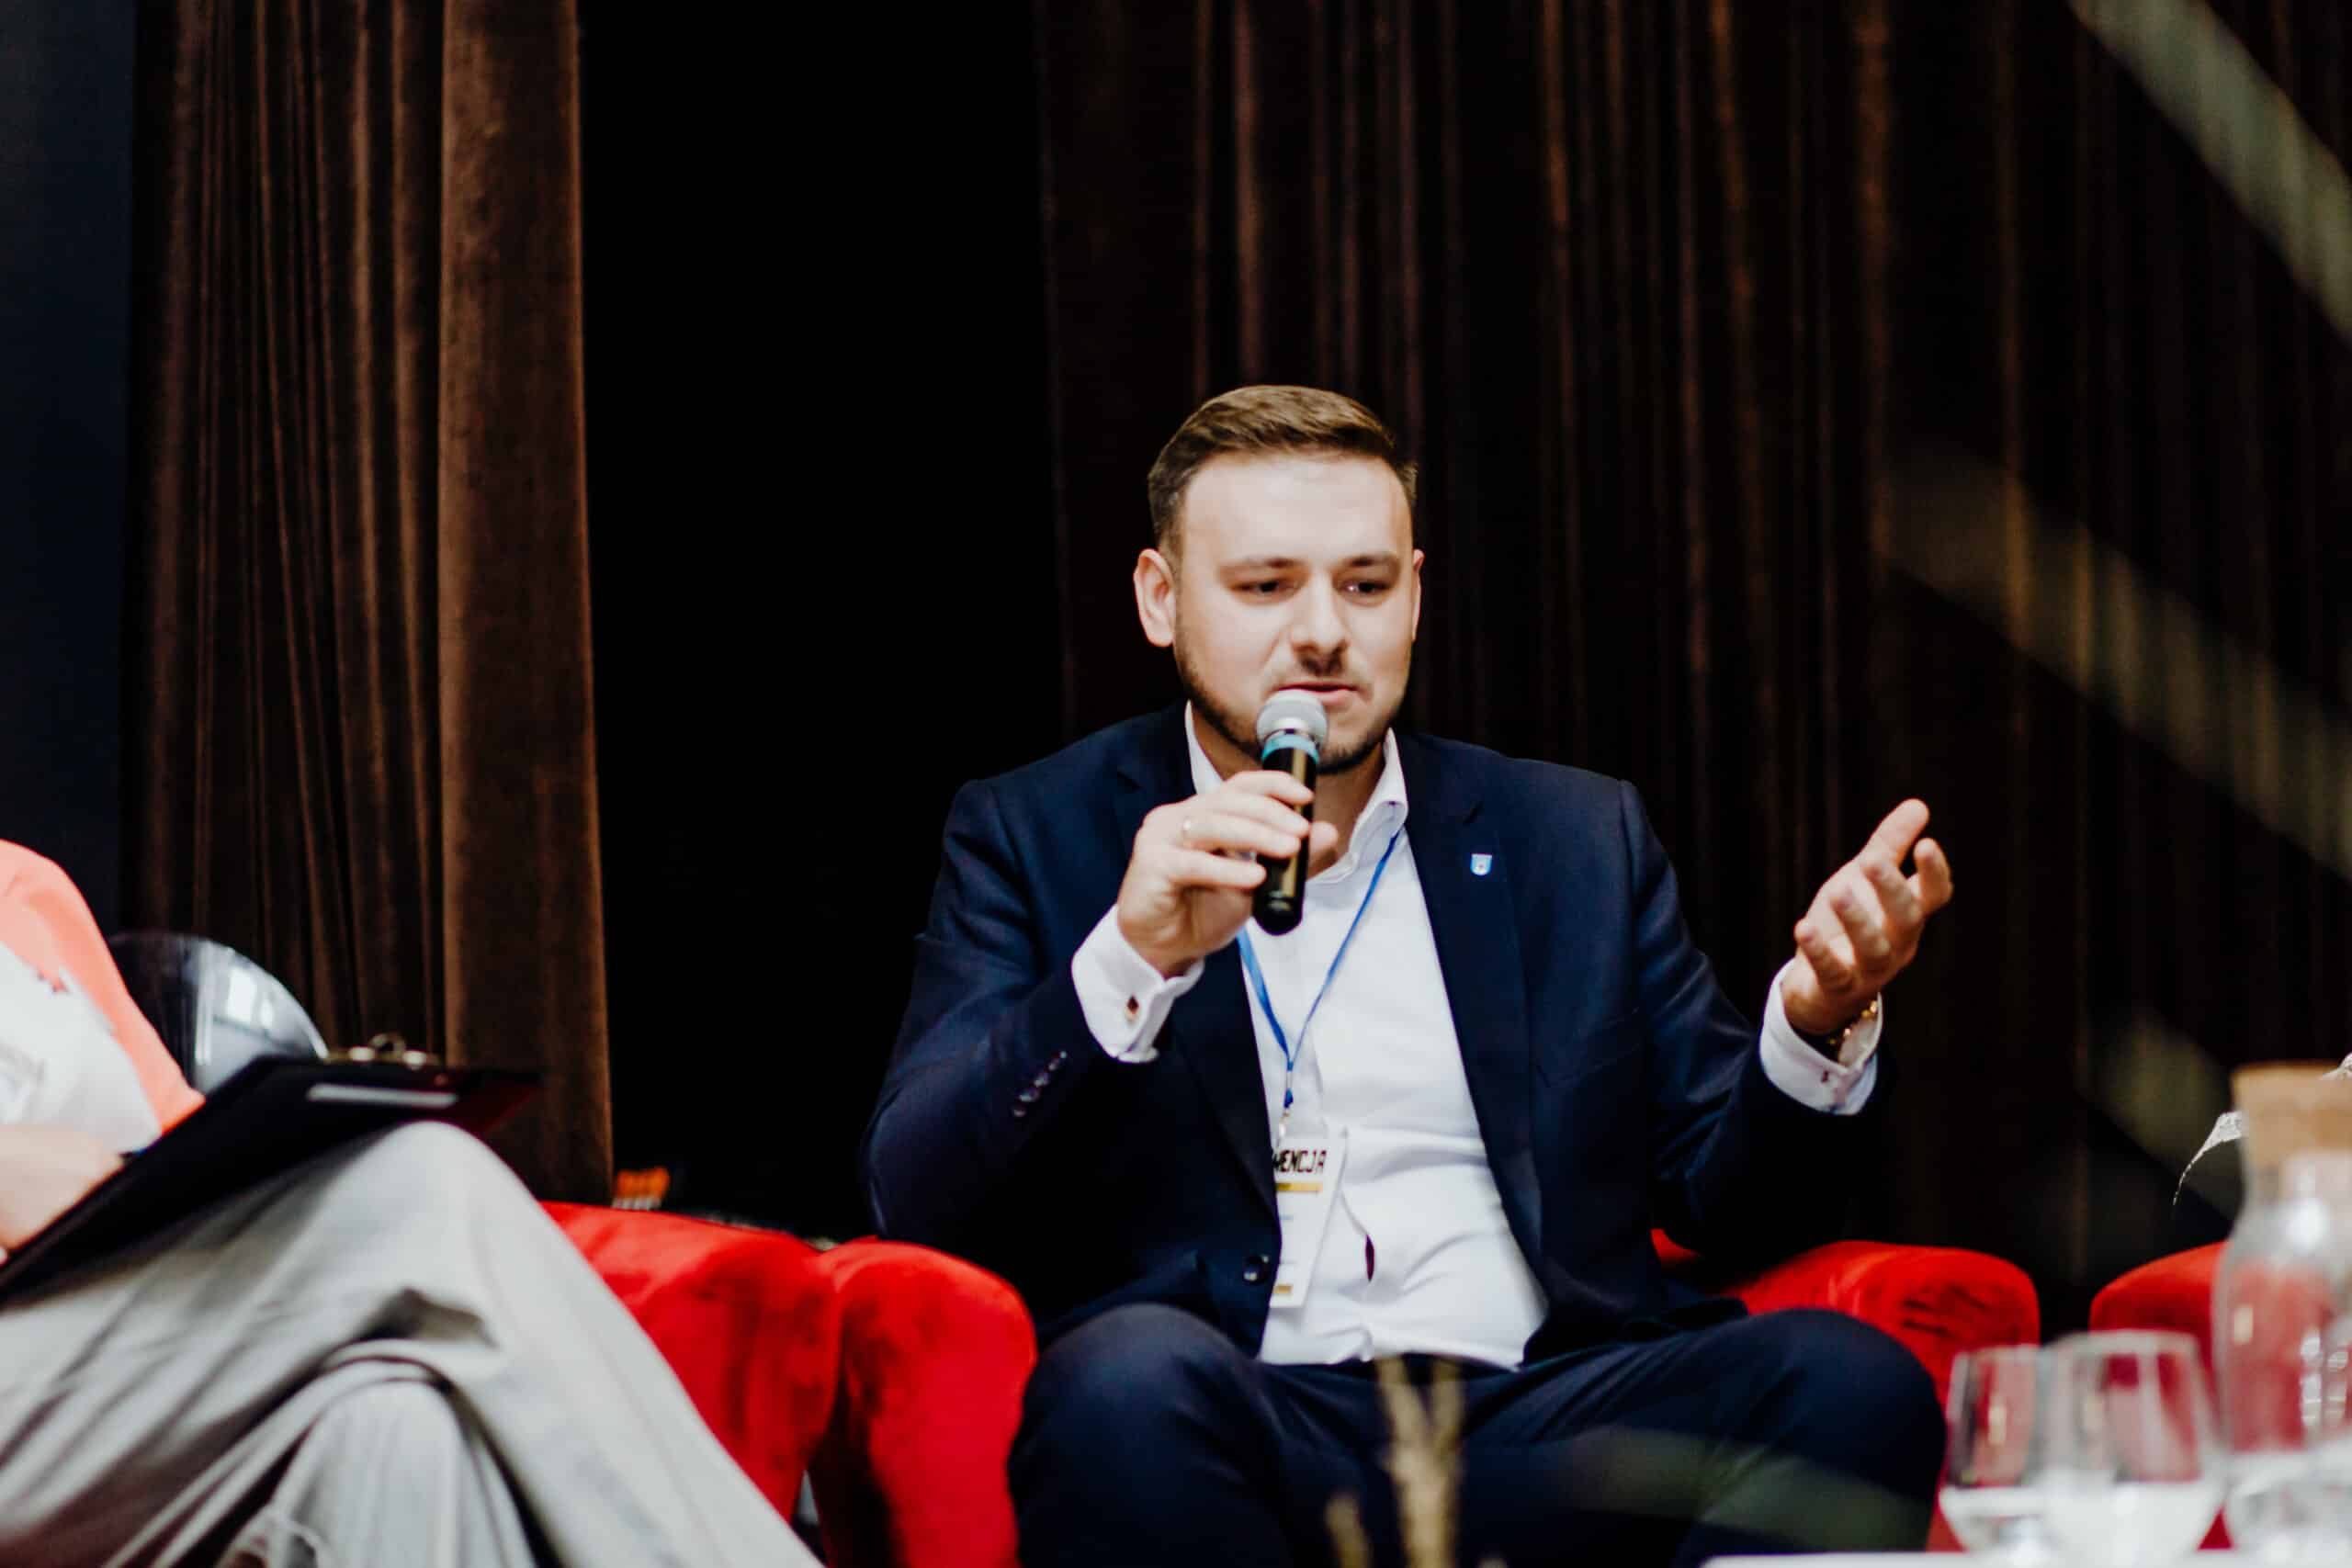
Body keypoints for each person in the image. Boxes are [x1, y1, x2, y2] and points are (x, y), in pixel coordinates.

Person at [868, 386, 1958, 1567]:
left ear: (1416, 595)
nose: (1323, 633)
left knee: (1852, 1383)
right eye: (1265, 586)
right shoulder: (1036, 833)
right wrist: (1132, 957)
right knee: (1121, 1390)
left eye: (1365, 584)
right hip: (1248, 1411)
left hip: (1543, 1413)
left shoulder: (1568, 837)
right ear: (1159, 598)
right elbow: (916, 1190)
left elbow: (1730, 1203)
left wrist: (1816, 1021)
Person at [0, 840, 815, 1566]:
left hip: (120, 1309)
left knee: (397, 1436)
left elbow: (183, 1145)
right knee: (425, 1183)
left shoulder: (24, 887)